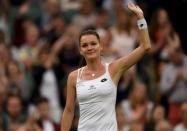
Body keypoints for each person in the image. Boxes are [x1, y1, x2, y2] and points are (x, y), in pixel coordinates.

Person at [61, 3, 151, 131]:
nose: (90, 47)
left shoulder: (113, 69)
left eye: (93, 43)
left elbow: (145, 46)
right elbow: (69, 111)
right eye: (85, 45)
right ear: (80, 50)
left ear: (101, 46)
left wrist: (140, 18)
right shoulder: (74, 77)